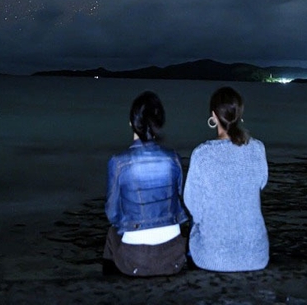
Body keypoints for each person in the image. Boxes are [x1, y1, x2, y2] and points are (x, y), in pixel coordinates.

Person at [184, 86, 269, 272]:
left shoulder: (202, 154)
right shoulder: (257, 149)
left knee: (198, 213)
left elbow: (192, 204)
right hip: (256, 255)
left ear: (213, 116)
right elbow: (261, 183)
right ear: (239, 114)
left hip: (212, 257)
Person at [103, 91, 188, 276]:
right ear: (159, 124)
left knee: (112, 234)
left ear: (131, 123)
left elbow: (112, 214)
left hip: (136, 260)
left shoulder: (118, 162)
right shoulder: (173, 158)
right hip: (174, 256)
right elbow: (180, 200)